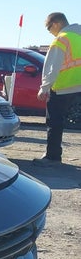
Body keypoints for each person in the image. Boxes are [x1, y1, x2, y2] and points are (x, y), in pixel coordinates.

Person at [35, 12, 81, 165]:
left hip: (62, 88)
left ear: (55, 24)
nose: (50, 32)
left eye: (49, 28)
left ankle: (52, 157)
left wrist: (44, 87)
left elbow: (52, 67)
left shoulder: (62, 39)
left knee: (54, 123)